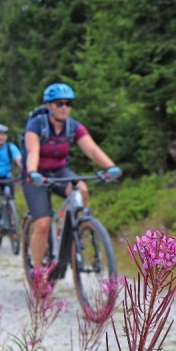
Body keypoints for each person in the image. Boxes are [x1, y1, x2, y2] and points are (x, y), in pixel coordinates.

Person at [22, 82, 121, 268]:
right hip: (36, 175)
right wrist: (33, 172)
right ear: (49, 105)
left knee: (81, 189)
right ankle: (38, 272)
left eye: (68, 103)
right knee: (43, 224)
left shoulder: (73, 126)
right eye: (59, 103)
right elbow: (32, 150)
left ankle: (79, 230)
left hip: (59, 171)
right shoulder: (36, 125)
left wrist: (111, 167)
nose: (64, 108)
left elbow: (92, 149)